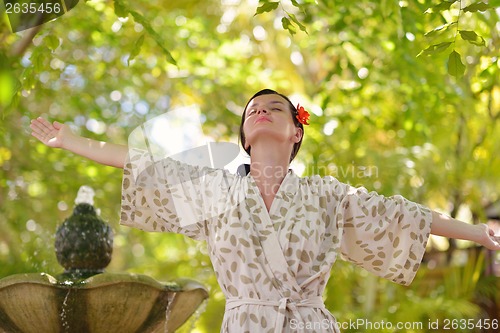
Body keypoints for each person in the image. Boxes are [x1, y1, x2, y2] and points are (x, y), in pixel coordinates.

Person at [30, 89, 500, 333]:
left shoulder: (327, 194)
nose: (261, 112)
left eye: (275, 108)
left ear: (296, 132)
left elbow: (406, 217)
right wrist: (68, 140)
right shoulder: (213, 191)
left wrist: (481, 233)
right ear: (244, 136)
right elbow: (141, 164)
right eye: (253, 110)